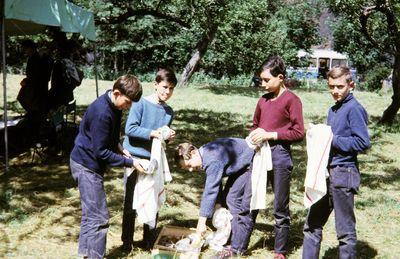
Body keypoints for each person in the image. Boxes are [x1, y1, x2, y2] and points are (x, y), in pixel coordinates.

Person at [70, 75, 144, 259]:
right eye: (127, 102)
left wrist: (120, 148)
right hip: (86, 165)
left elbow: (107, 137)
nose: (128, 107)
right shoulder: (102, 112)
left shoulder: (114, 105)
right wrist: (131, 162)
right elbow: (101, 152)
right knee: (99, 218)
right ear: (117, 93)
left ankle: (85, 255)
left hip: (88, 162)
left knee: (90, 215)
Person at [302, 66, 370, 259]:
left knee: (345, 232)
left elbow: (363, 143)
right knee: (312, 224)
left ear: (351, 85)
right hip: (326, 173)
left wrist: (331, 138)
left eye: (340, 86)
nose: (335, 91)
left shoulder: (354, 109)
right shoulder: (333, 109)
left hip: (344, 173)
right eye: (331, 87)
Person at [249, 55, 305, 259]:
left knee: (280, 205)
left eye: (266, 80)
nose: (262, 84)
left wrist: (272, 134)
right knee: (252, 198)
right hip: (260, 153)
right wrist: (254, 134)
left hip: (280, 156)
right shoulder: (263, 100)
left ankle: (280, 250)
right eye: (260, 80)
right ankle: (240, 243)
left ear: (280, 77)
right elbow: (256, 124)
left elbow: (299, 132)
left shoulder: (292, 100)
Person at [121, 68, 177, 251]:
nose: (167, 92)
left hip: (154, 161)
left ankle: (148, 239)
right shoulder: (140, 103)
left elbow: (160, 137)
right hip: (134, 158)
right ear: (155, 84)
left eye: (171, 88)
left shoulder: (169, 111)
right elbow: (130, 129)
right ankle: (127, 242)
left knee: (152, 200)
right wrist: (153, 133)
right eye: (164, 87)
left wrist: (167, 136)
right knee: (131, 201)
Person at [175, 138, 255, 257]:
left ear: (193, 153)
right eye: (188, 168)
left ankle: (237, 247)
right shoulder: (204, 152)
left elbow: (210, 191)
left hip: (250, 162)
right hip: (239, 164)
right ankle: (230, 235)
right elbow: (215, 181)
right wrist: (218, 205)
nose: (191, 170)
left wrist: (201, 224)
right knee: (228, 198)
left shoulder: (211, 159)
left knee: (233, 200)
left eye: (190, 165)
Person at [17, 40, 53, 140]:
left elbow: (37, 77)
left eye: (25, 48)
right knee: (27, 103)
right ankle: (35, 130)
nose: (24, 51)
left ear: (30, 48)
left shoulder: (37, 59)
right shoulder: (33, 58)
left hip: (37, 90)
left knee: (36, 110)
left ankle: (36, 134)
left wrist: (26, 81)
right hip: (35, 89)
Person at [48, 39, 83, 111]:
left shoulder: (59, 64)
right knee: (59, 116)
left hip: (59, 95)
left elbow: (54, 82)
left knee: (55, 115)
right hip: (67, 94)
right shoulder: (69, 63)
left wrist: (50, 93)